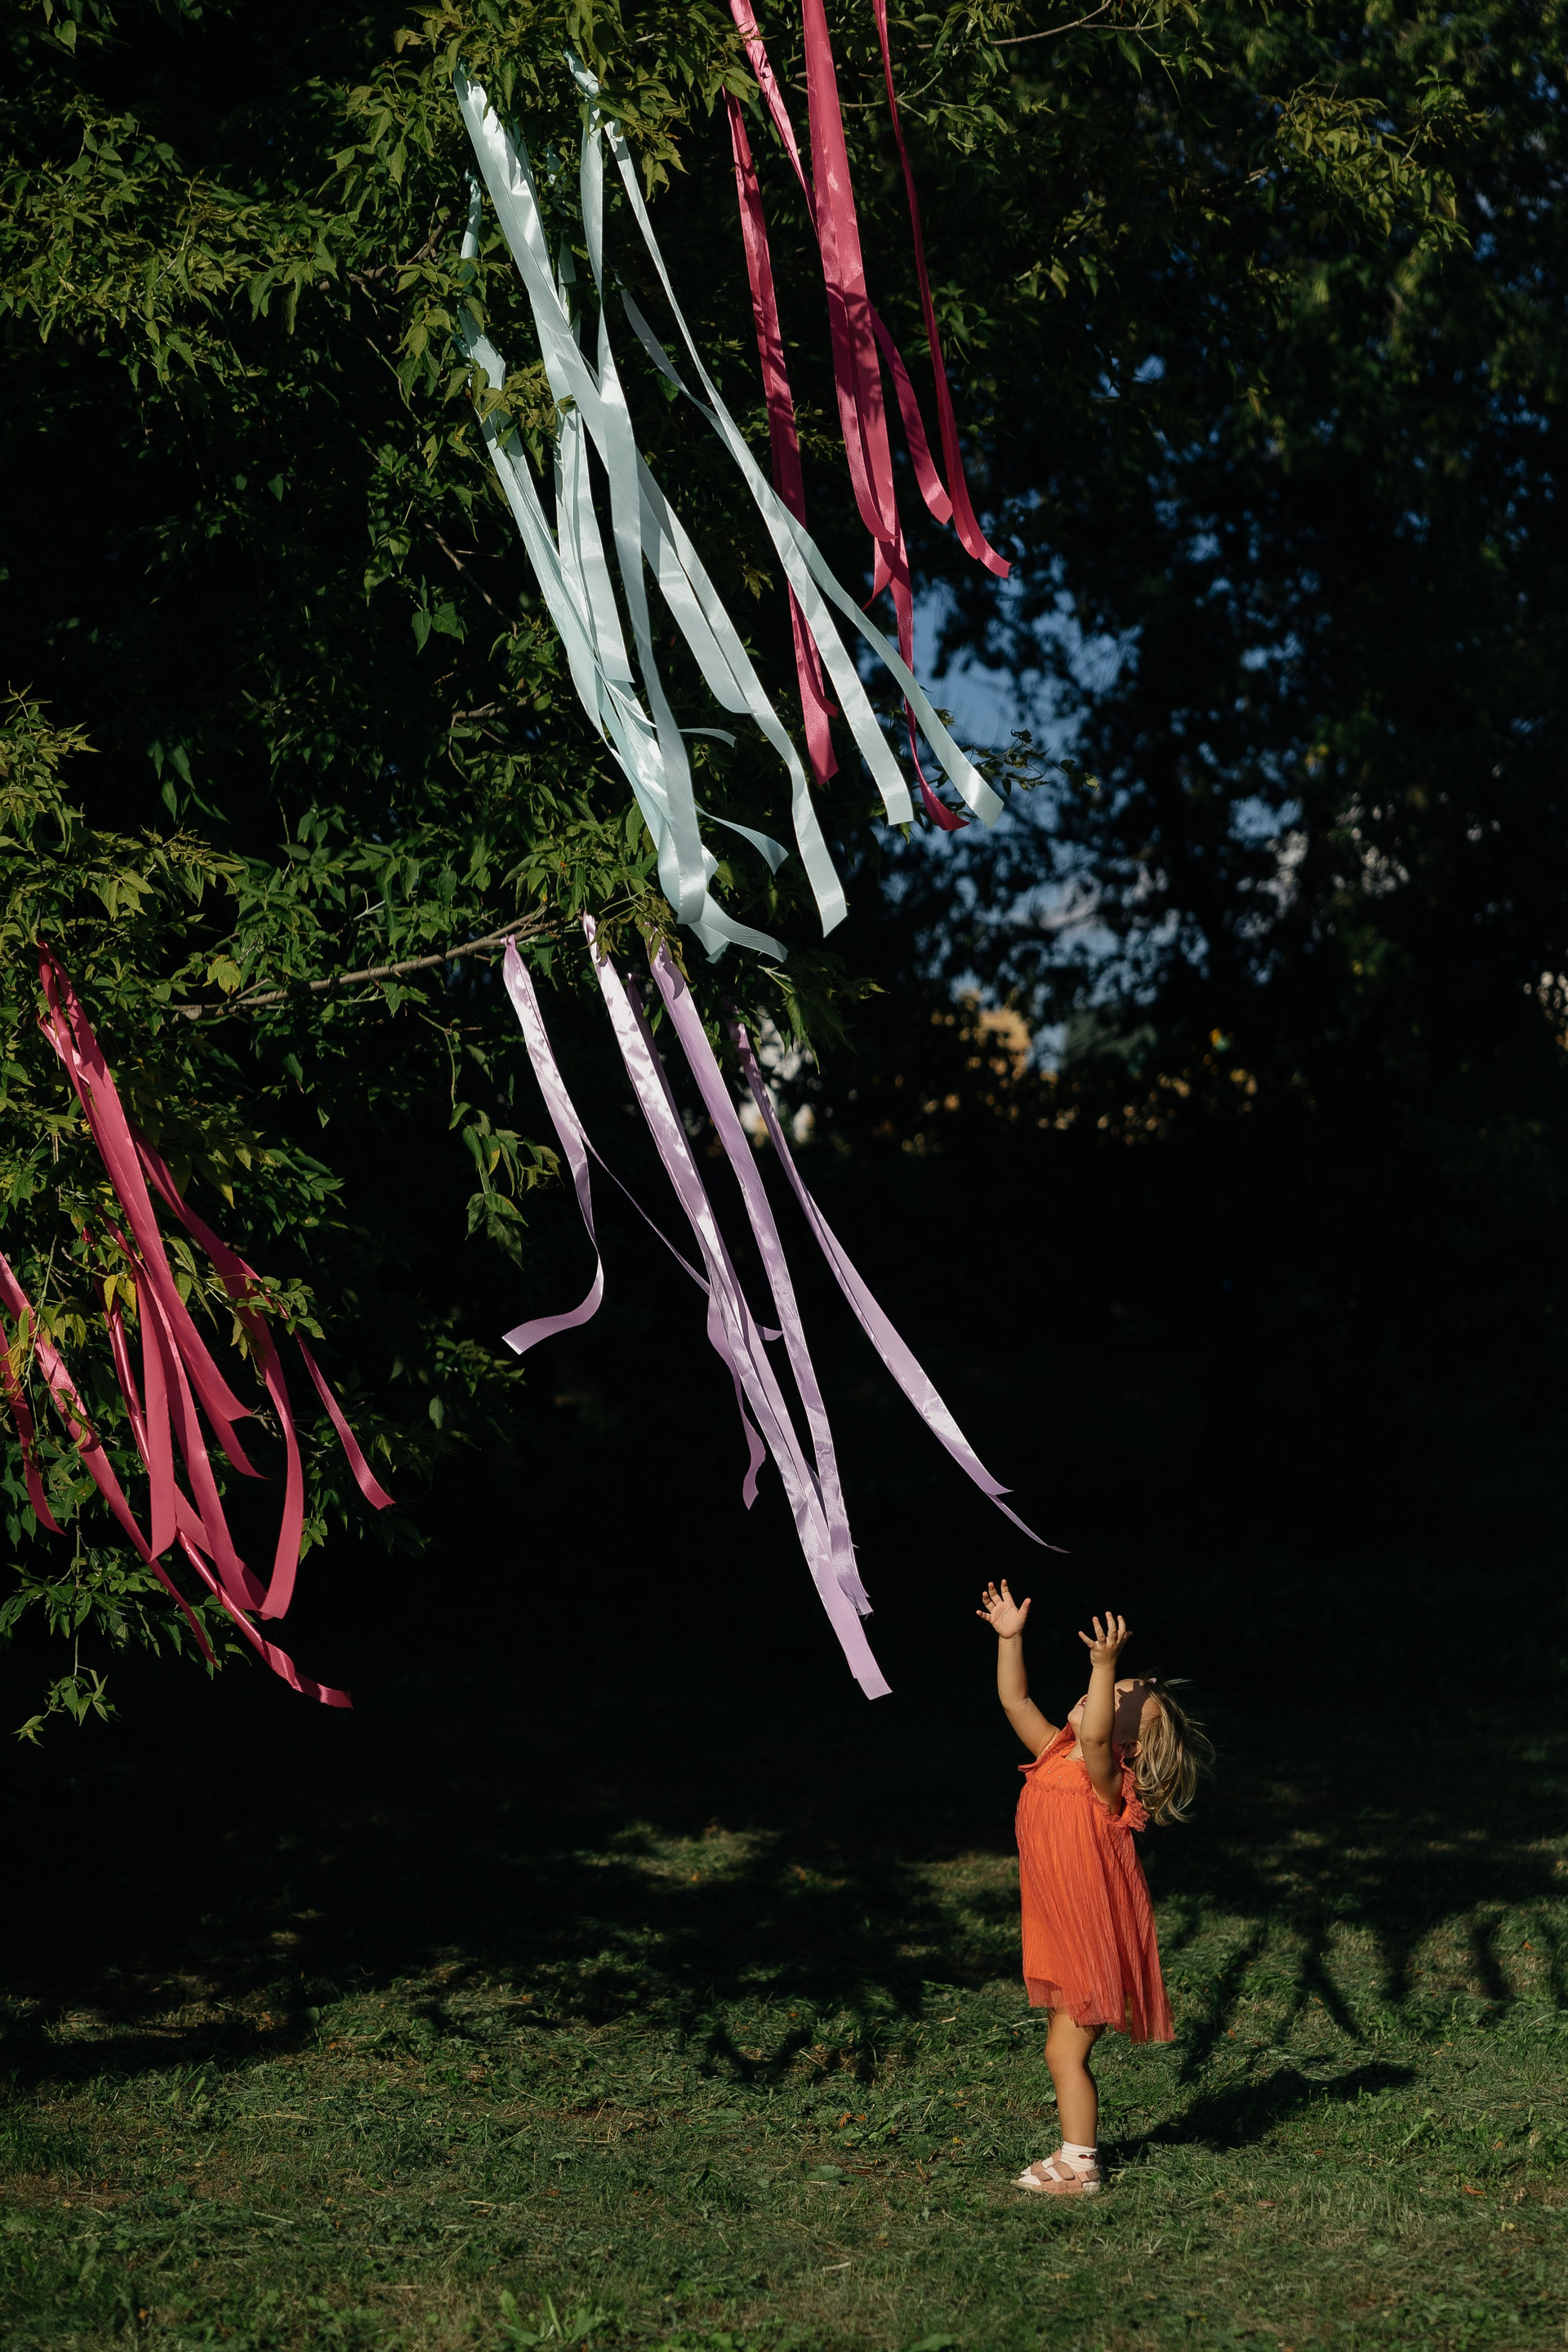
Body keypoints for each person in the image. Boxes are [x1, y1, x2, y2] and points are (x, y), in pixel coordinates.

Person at [977, 1583, 1210, 2196]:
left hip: (1090, 1939)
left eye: (1121, 1699)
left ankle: (1080, 2165)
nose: (1103, 1695)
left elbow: (1098, 1739)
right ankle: (1075, 2156)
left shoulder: (1106, 1779)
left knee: (1064, 2054)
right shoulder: (1053, 1752)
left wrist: (1104, 1665)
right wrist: (1010, 1640)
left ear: (1132, 1743)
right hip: (1060, 1930)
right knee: (1060, 2051)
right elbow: (1015, 1699)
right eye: (1112, 1689)